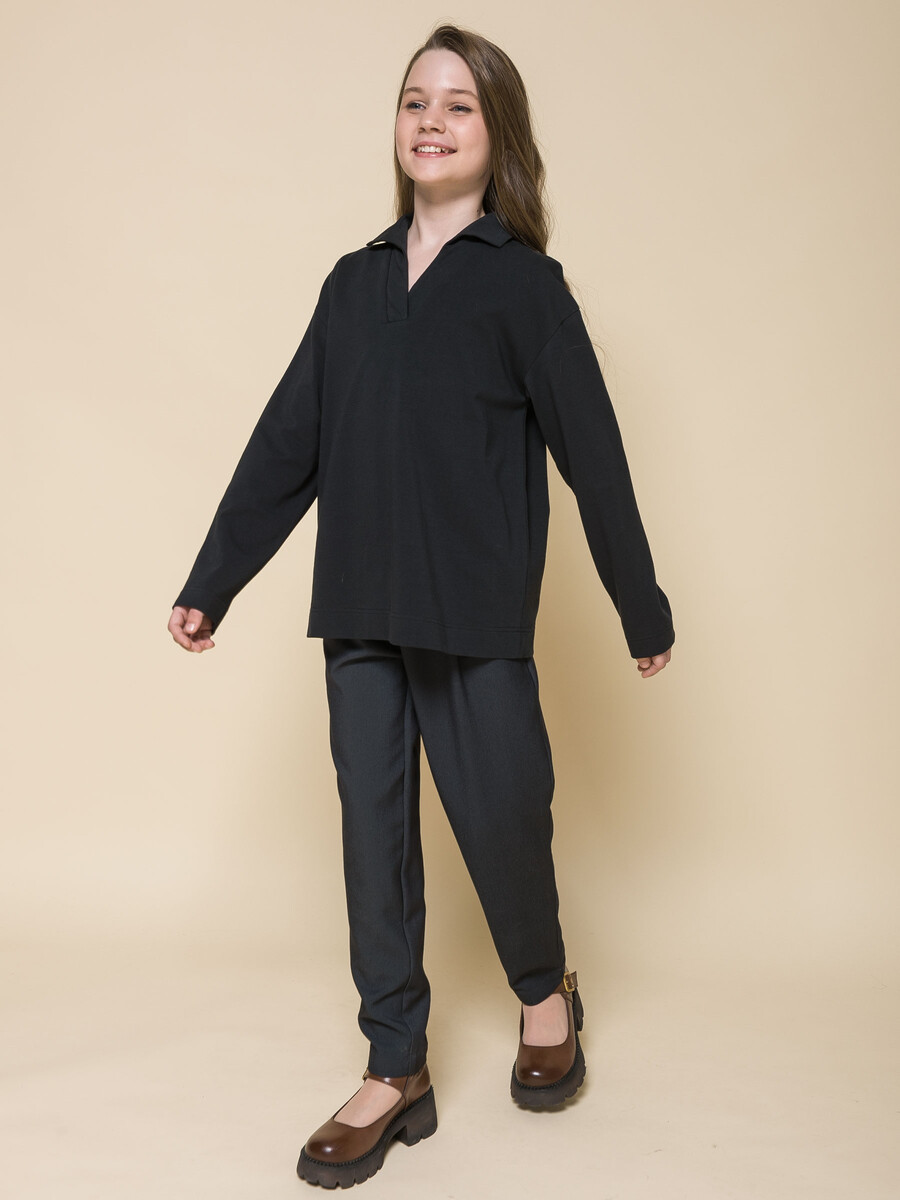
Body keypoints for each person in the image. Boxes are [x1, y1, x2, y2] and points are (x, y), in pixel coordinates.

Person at [168, 22, 674, 1189]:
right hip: (358, 612)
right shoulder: (352, 285)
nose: (430, 121)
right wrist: (213, 579)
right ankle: (394, 1066)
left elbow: (595, 458)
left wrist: (639, 605)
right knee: (374, 839)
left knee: (503, 818)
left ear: (498, 136)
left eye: (457, 104)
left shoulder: (524, 286)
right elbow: (286, 443)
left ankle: (544, 990)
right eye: (414, 101)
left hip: (474, 611)